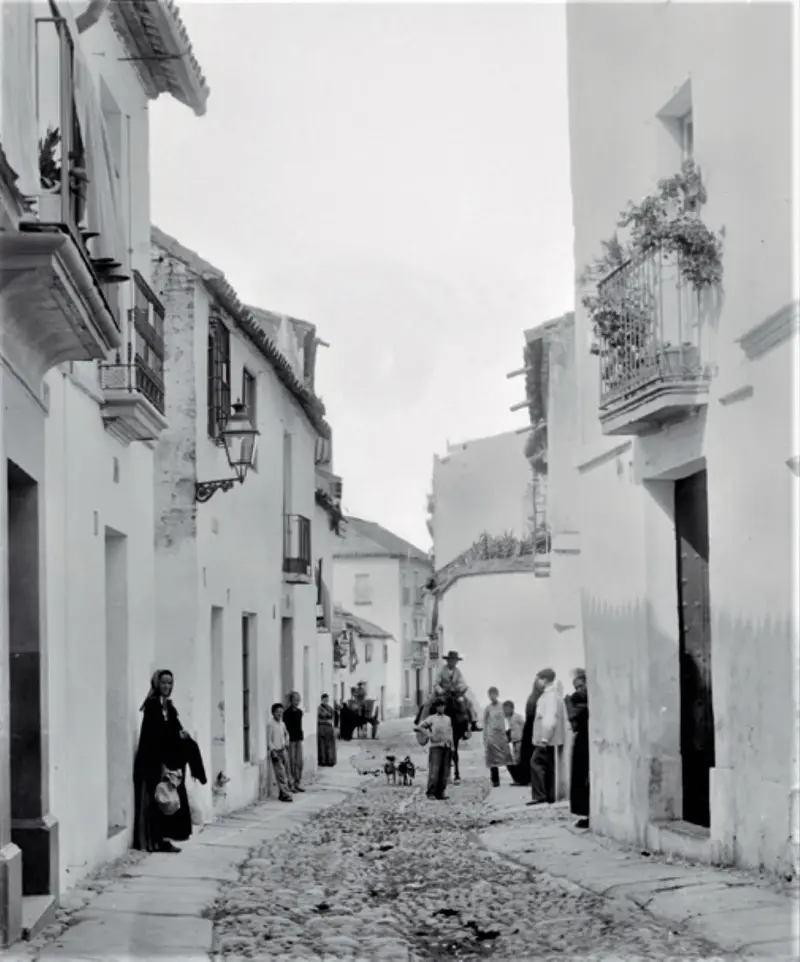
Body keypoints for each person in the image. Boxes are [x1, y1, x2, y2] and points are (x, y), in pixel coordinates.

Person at [133, 669, 205, 853]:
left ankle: (164, 839)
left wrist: (182, 735)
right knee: (158, 799)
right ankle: (155, 841)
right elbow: (154, 735)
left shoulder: (168, 706)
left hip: (167, 758)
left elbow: (173, 727)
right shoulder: (152, 706)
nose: (167, 686)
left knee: (168, 800)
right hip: (153, 761)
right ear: (157, 684)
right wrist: (173, 738)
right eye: (164, 682)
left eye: (170, 683)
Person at [527, 668, 566, 806]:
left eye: (539, 679)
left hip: (547, 740)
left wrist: (544, 738)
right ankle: (549, 795)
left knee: (536, 763)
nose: (537, 682)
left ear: (545, 680)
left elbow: (550, 718)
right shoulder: (550, 695)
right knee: (548, 767)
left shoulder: (550, 697)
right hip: (549, 739)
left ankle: (541, 795)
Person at [416, 650, 481, 731]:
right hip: (442, 693)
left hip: (455, 693)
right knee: (428, 703)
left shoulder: (457, 671)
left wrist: (459, 687)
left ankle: (474, 723)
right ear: (448, 660)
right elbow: (436, 683)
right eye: (451, 660)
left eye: (455, 661)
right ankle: (422, 723)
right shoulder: (442, 670)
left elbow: (462, 682)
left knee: (468, 702)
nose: (453, 662)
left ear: (457, 662)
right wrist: (441, 690)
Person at [565, 669, 589, 828]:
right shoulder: (574, 700)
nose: (579, 690)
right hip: (582, 739)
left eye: (581, 686)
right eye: (576, 687)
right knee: (580, 777)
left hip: (587, 740)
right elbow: (574, 722)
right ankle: (585, 813)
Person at [416, 698, 453, 800]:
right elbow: (420, 727)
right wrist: (429, 735)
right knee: (434, 770)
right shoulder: (432, 718)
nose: (441, 708)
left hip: (446, 746)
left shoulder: (448, 719)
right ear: (436, 708)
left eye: (442, 706)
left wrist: (452, 746)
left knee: (445, 771)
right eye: (439, 706)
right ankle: (431, 792)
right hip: (436, 747)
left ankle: (441, 792)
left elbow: (450, 732)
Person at [517, 673, 546, 787]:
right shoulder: (535, 697)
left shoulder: (537, 697)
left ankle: (530, 778)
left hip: (533, 728)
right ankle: (528, 778)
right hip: (531, 728)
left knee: (531, 754)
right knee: (529, 754)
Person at [483, 687, 514, 787]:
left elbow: (509, 718)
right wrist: (485, 737)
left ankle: (517, 778)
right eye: (490, 695)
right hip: (492, 736)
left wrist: (510, 732)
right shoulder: (488, 709)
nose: (492, 697)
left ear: (497, 694)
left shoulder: (502, 706)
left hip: (501, 736)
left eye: (494, 694)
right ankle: (495, 781)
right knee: (492, 760)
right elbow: (485, 723)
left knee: (507, 757)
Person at [267, 703, 293, 802]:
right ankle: (287, 794)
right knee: (281, 774)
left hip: (283, 750)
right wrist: (272, 750)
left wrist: (287, 741)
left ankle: (282, 794)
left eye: (281, 712)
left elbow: (286, 734)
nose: (279, 714)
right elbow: (269, 740)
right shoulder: (271, 724)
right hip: (276, 752)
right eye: (277, 712)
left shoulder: (282, 723)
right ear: (273, 713)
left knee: (286, 772)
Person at [283, 691, 305, 792]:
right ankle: (291, 784)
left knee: (299, 762)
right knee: (292, 762)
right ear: (291, 701)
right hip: (291, 740)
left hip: (298, 739)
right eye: (295, 700)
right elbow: (285, 728)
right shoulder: (286, 713)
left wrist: (300, 736)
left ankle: (297, 783)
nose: (297, 702)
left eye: (298, 700)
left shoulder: (300, 712)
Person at [503, 699, 526, 785]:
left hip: (520, 741)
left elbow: (524, 727)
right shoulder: (508, 718)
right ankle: (518, 779)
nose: (504, 711)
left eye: (506, 709)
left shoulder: (518, 717)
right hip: (514, 741)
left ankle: (520, 780)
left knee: (518, 760)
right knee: (516, 760)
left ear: (511, 708)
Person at [317, 693, 337, 767]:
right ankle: (323, 761)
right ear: (322, 700)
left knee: (329, 745)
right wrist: (325, 721)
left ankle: (330, 760)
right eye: (325, 699)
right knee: (322, 745)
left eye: (327, 699)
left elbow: (332, 717)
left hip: (329, 728)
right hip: (322, 728)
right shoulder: (319, 708)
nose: (326, 701)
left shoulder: (330, 708)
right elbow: (317, 720)